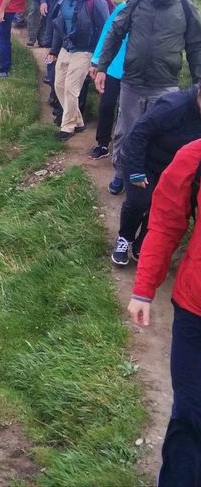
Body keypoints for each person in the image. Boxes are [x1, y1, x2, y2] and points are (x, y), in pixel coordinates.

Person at [127, 137, 201, 487]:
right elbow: (167, 223)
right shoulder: (194, 156)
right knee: (191, 414)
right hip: (195, 311)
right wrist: (144, 288)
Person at [95, 0, 201, 195]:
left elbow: (195, 47)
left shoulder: (185, 10)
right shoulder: (135, 4)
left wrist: (198, 84)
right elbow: (114, 35)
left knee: (161, 134)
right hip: (132, 82)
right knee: (126, 131)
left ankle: (153, 179)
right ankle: (121, 174)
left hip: (165, 86)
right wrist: (102, 67)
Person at [111, 85, 201, 266]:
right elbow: (139, 133)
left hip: (171, 169)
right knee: (139, 201)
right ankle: (124, 238)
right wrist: (136, 170)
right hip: (142, 159)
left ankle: (142, 243)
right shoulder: (174, 105)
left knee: (159, 206)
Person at [88, 0, 151, 161]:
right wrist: (96, 61)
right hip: (114, 67)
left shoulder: (155, 17)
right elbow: (108, 33)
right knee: (107, 105)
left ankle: (129, 150)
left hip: (137, 71)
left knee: (132, 113)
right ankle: (102, 143)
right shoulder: (122, 8)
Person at [45, 0, 108, 141]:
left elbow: (106, 30)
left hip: (85, 50)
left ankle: (67, 127)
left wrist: (97, 59)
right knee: (58, 85)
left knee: (71, 89)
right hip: (66, 47)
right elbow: (58, 24)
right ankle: (78, 121)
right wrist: (54, 49)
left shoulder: (95, 1)